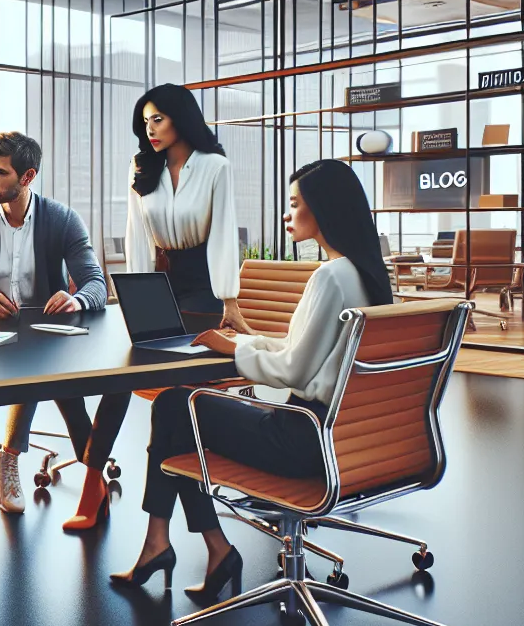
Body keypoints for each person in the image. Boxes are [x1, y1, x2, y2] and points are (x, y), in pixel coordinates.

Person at [112, 159, 395, 602]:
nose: (287, 214)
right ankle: (182, 545)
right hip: (347, 441)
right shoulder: (364, 275)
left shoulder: (330, 277)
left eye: (295, 204)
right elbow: (307, 348)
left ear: (323, 210)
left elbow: (294, 371)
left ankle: (182, 545)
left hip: (301, 440)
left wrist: (234, 350)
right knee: (179, 411)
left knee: (174, 406)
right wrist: (251, 340)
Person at [0, 131, 131, 530]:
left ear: (26, 177)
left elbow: (96, 281)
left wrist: (76, 300)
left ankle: (21, 459)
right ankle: (30, 461)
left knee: (66, 395)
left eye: (0, 172)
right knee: (54, 387)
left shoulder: (61, 219)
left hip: (46, 336)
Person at [124, 84, 242, 327]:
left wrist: (229, 301)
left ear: (180, 117)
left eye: (157, 119)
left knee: (192, 352)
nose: (150, 129)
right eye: (146, 121)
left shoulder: (216, 167)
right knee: (148, 355)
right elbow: (137, 233)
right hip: (157, 284)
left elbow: (223, 235)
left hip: (201, 285)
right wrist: (136, 295)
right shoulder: (140, 167)